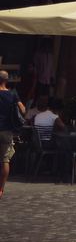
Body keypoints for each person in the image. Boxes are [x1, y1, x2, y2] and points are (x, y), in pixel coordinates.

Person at [0, 70, 24, 198]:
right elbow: (23, 109)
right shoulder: (12, 95)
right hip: (7, 130)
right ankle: (1, 189)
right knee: (5, 160)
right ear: (6, 80)